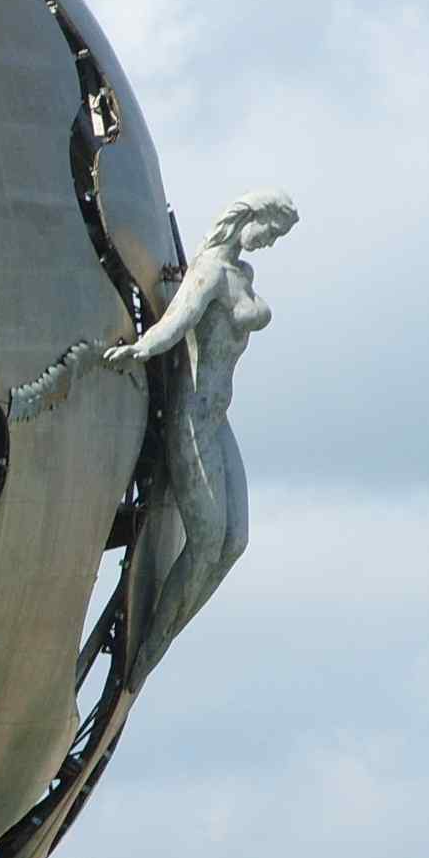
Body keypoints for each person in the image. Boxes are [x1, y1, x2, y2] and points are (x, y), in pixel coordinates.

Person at [102, 187, 298, 687]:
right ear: (250, 217)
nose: (271, 242)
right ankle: (147, 650)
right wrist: (139, 350)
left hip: (218, 418)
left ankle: (163, 637)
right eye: (272, 230)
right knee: (208, 542)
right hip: (191, 418)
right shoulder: (209, 271)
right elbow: (176, 324)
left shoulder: (242, 274)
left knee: (235, 542)